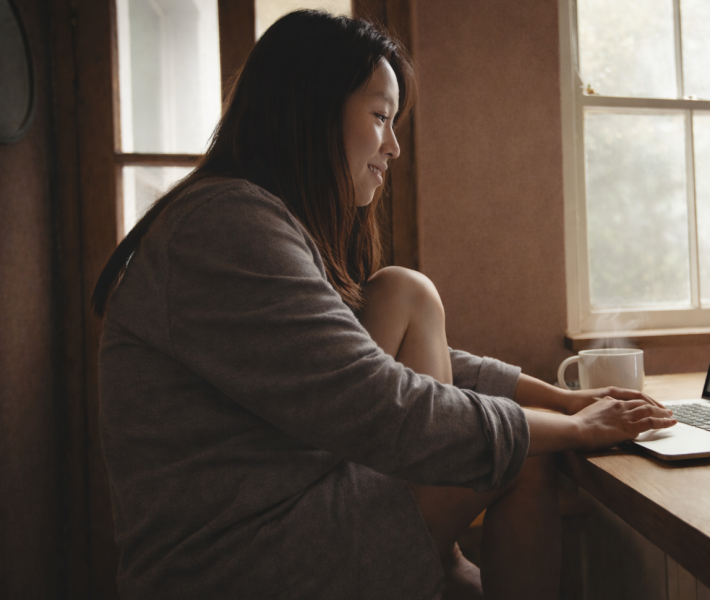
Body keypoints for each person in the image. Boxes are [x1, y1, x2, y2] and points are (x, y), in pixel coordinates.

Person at [91, 11, 676, 600]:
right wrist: (572, 430)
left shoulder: (254, 218)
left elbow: (375, 368)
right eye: (380, 117)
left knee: (401, 290)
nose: (394, 147)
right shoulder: (227, 228)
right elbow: (385, 405)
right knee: (517, 457)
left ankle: (442, 565)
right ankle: (443, 567)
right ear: (311, 111)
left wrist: (565, 401)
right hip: (236, 557)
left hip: (284, 503)